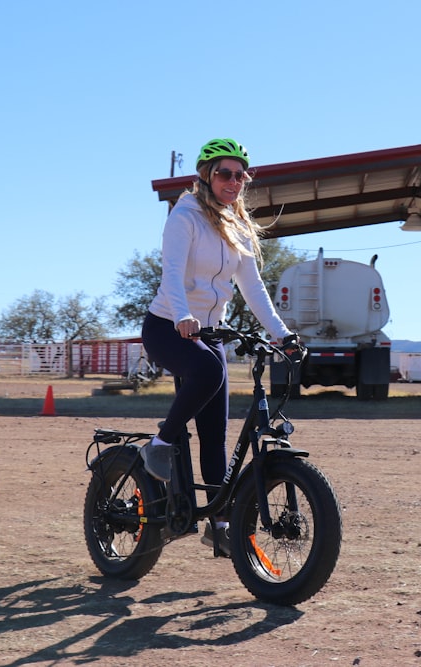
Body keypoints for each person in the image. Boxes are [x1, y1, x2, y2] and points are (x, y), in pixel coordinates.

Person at [140, 137, 296, 555]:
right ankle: (158, 446)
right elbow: (172, 274)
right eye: (225, 173)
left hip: (210, 334)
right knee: (208, 372)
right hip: (167, 327)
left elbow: (253, 287)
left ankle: (220, 523)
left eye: (240, 174)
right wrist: (182, 316)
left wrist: (282, 334)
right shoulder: (184, 215)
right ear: (207, 176)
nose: (234, 180)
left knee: (216, 435)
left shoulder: (236, 225)